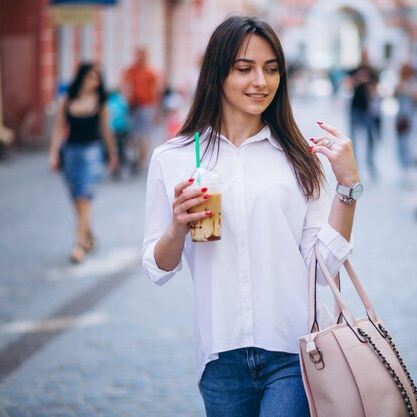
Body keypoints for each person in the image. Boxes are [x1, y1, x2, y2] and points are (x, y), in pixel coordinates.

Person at [142, 15, 362, 417]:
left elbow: (321, 267)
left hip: (291, 352)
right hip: (219, 355)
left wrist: (347, 188)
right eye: (245, 69)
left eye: (271, 69)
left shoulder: (298, 160)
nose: (260, 81)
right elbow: (158, 268)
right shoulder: (174, 159)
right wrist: (177, 227)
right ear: (218, 74)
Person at [49, 63, 118, 263]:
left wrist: (112, 152)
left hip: (92, 154)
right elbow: (58, 128)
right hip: (70, 153)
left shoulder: (100, 102)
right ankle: (89, 236)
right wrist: (53, 154)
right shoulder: (67, 100)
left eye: (97, 78)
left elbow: (105, 129)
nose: (94, 81)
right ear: (81, 77)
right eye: (91, 76)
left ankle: (78, 245)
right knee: (76, 200)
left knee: (84, 198)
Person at [123, 47, 159, 172]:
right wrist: (127, 96)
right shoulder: (131, 70)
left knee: (143, 134)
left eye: (143, 55)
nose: (140, 58)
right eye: (139, 55)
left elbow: (155, 92)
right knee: (134, 134)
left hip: (146, 106)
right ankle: (137, 157)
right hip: (133, 106)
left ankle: (141, 159)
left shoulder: (150, 72)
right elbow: (125, 85)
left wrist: (155, 111)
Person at [345, 48, 379, 179]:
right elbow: (348, 84)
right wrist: (359, 80)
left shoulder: (372, 72)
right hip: (355, 108)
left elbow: (374, 90)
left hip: (368, 110)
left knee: (370, 138)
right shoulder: (355, 70)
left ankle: (370, 165)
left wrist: (368, 84)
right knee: (352, 139)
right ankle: (355, 166)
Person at [394, 63, 417, 182]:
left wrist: (406, 90)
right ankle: (403, 166)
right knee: (401, 142)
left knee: (407, 142)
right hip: (401, 117)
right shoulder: (401, 82)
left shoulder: (414, 82)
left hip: (409, 117)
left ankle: (407, 166)